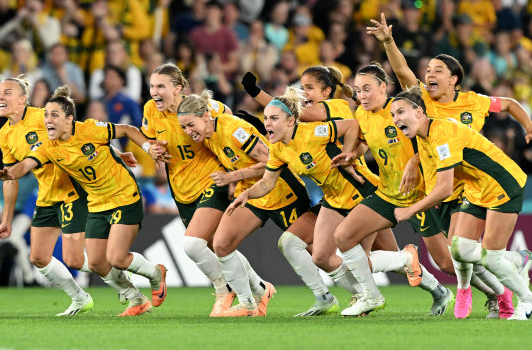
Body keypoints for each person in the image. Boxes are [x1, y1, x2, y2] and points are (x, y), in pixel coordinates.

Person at [368, 13, 532, 319]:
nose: (428, 75)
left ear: (454, 79)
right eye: (427, 70)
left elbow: (511, 105)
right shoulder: (422, 100)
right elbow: (402, 70)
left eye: (437, 70)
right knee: (453, 257)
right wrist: (389, 41)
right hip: (443, 185)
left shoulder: (474, 102)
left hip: (471, 184)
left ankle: (506, 295)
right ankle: (503, 270)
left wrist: (531, 128)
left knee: (482, 254)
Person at [241, 66, 406, 314]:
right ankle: (343, 296)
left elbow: (294, 112)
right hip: (333, 197)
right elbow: (290, 122)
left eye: (310, 88)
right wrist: (268, 124)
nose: (304, 92)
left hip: (359, 190)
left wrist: (258, 94)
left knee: (376, 258)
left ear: (327, 91)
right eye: (302, 87)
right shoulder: (299, 125)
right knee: (302, 247)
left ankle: (430, 284)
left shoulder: (336, 107)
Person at [0, 85, 168, 316]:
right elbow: (27, 164)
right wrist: (11, 175)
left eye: (6, 92)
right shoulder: (21, 138)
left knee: (100, 258)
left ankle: (144, 283)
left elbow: (101, 136)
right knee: (53, 258)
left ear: (22, 99)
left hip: (89, 194)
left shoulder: (66, 121)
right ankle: (94, 297)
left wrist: (135, 149)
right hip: (60, 196)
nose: (48, 120)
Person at [390, 89, 532, 321]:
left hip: (502, 184)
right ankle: (518, 260)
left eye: (401, 112)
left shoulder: (441, 134)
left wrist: (411, 209)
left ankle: (528, 300)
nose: (396, 119)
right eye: (392, 115)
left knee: (491, 258)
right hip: (476, 188)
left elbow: (444, 188)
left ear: (419, 112)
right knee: (460, 250)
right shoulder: (426, 134)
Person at [330, 63, 454, 317]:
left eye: (367, 89)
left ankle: (502, 283)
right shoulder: (362, 115)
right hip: (386, 193)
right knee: (343, 237)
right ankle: (372, 296)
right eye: (358, 90)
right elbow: (367, 141)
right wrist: (352, 154)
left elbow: (434, 136)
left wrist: (414, 160)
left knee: (448, 263)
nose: (362, 96)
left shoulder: (400, 109)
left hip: (420, 195)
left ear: (383, 87)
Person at [177, 91, 313, 316]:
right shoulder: (208, 135)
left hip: (281, 190)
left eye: (190, 125)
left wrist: (232, 177)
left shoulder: (233, 131)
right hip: (251, 195)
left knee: (318, 254)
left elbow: (272, 161)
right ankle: (248, 303)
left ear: (204, 116)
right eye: (183, 128)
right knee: (221, 244)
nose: (188, 132)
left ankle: (361, 291)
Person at [143, 62, 244, 317]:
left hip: (212, 180)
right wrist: (152, 148)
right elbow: (150, 139)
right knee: (214, 247)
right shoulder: (150, 110)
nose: (155, 91)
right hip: (181, 188)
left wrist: (232, 168)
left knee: (192, 245)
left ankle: (224, 290)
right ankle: (259, 289)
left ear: (178, 89)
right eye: (152, 86)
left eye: (161, 86)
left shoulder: (200, 107)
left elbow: (228, 117)